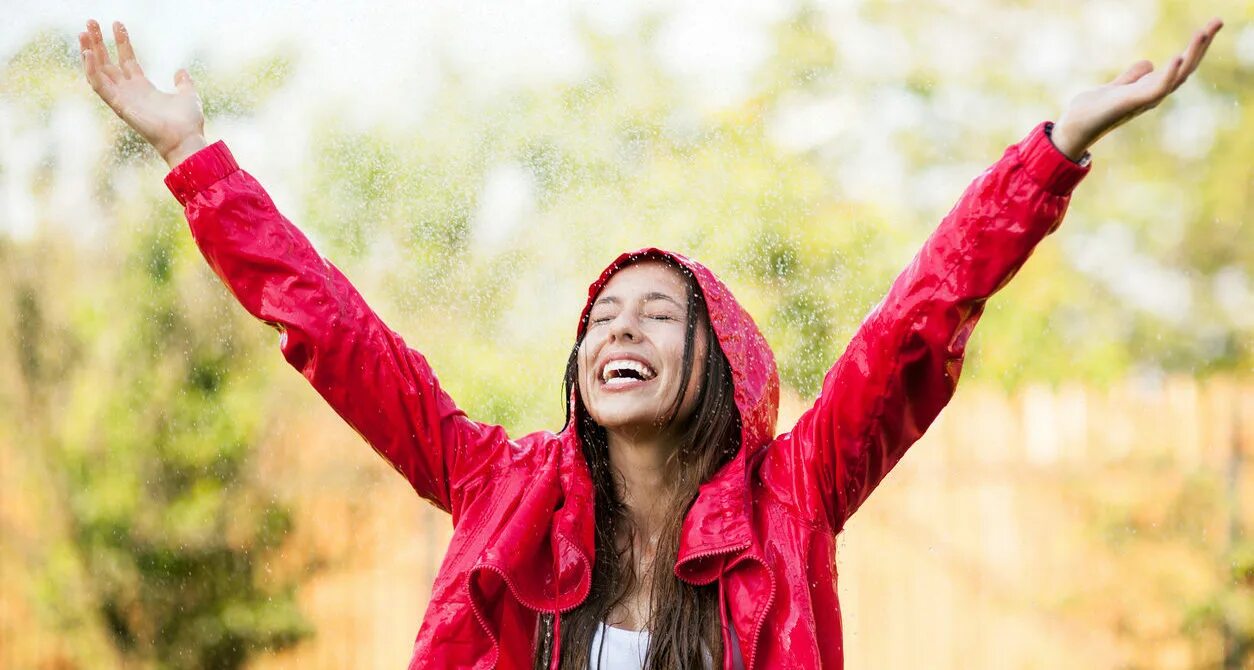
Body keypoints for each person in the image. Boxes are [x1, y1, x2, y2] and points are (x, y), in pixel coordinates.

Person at [80, 15, 1223, 670]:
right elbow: (333, 334)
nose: (617, 328)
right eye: (600, 318)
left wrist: (1058, 144)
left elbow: (921, 321)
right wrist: (198, 163)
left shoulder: (798, 494)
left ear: (719, 359)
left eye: (656, 313)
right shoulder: (500, 488)